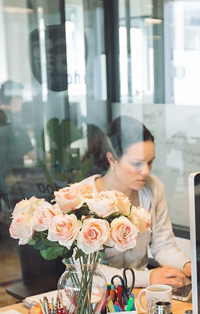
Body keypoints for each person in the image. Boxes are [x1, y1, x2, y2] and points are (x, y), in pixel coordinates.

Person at [81, 115, 191, 287]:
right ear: (112, 159)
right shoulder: (82, 197)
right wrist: (148, 278)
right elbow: (87, 270)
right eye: (137, 163)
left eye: (150, 162)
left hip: (138, 293)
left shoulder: (154, 188)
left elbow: (163, 246)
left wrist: (187, 266)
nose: (146, 171)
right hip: (96, 294)